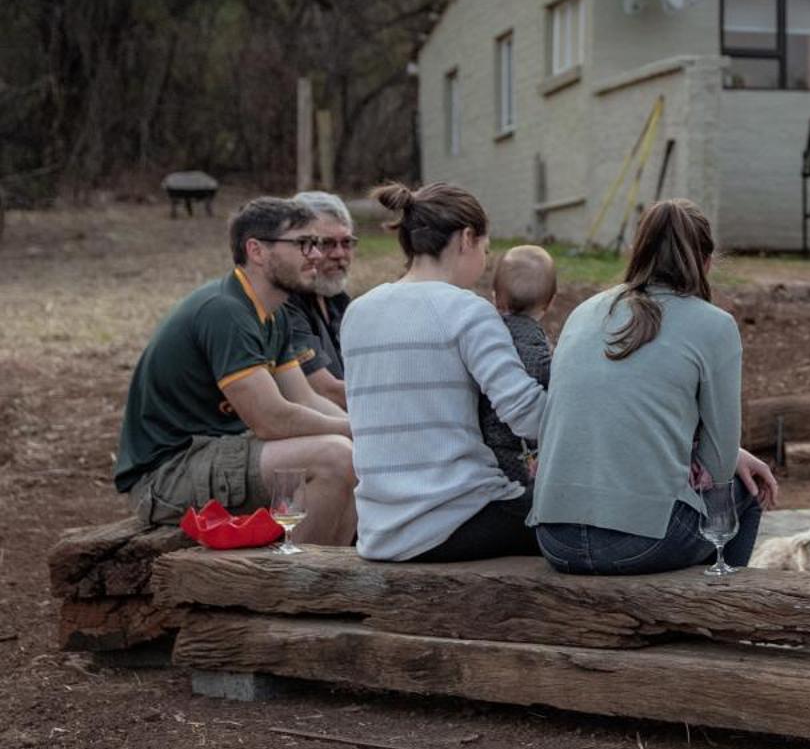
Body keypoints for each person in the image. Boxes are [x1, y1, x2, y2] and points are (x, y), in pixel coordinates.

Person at [531, 200, 780, 576]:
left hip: (555, 538)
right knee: (747, 490)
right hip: (639, 543)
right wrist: (720, 456)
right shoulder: (714, 325)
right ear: (706, 261)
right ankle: (718, 615)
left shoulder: (583, 311)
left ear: (637, 251)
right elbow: (720, 465)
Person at [113, 197, 356, 544]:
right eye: (303, 244)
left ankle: (330, 584)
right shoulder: (225, 311)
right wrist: (354, 429)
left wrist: (364, 433)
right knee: (335, 457)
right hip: (168, 474)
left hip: (221, 453)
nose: (316, 255)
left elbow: (305, 399)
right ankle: (293, 589)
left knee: (355, 455)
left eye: (316, 244)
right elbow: (271, 419)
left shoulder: (276, 313)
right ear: (256, 250)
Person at [342, 182, 547, 562]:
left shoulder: (358, 312)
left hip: (380, 529)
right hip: (457, 518)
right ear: (466, 238)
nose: (485, 262)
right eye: (486, 250)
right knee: (587, 520)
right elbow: (528, 416)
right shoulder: (467, 310)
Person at [479, 244, 558, 486]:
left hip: (483, 442)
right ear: (550, 302)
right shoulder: (540, 351)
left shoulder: (482, 337)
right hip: (521, 449)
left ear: (494, 297)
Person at [289, 190, 355, 408]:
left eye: (346, 243)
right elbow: (325, 390)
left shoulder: (339, 301)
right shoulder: (285, 304)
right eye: (326, 244)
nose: (339, 254)